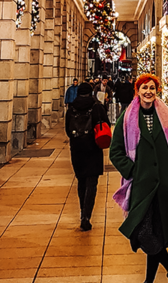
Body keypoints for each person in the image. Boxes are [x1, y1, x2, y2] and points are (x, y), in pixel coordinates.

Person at [110, 74, 168, 283]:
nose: (149, 92)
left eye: (152, 88)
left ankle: (150, 281)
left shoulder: (166, 116)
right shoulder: (127, 118)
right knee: (144, 233)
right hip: (142, 188)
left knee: (157, 235)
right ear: (138, 90)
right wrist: (132, 171)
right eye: (145, 87)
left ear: (156, 91)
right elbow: (115, 151)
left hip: (165, 187)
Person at [65, 82, 110, 232]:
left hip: (77, 150)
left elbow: (67, 129)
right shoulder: (96, 106)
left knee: (81, 181)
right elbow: (106, 124)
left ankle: (82, 212)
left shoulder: (71, 108)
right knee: (92, 183)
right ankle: (86, 216)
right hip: (93, 149)